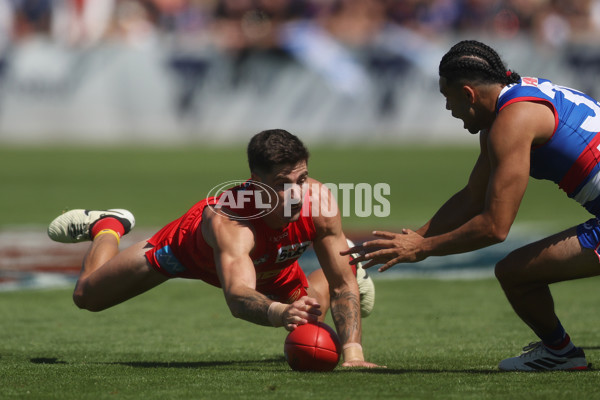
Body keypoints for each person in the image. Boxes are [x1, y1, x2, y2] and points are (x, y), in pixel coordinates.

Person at [343, 39, 600, 372]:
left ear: (468, 94)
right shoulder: (515, 102)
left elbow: (495, 227)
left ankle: (560, 352)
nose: (449, 110)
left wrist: (424, 248)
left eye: (447, 99)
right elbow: (472, 197)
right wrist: (413, 238)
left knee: (514, 274)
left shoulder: (511, 122)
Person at [48, 129, 380, 368]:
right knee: (86, 297)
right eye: (282, 184)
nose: (296, 193)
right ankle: (108, 226)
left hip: (273, 265)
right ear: (256, 182)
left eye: (302, 179)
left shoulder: (318, 201)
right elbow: (237, 296)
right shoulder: (232, 223)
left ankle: (350, 262)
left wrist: (353, 355)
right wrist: (281, 313)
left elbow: (340, 286)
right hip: (184, 256)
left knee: (311, 324)